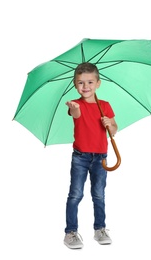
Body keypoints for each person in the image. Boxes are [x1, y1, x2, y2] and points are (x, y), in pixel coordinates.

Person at [64, 62, 118, 249]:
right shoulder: (76, 104)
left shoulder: (105, 106)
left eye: (89, 82)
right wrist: (73, 107)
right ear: (74, 84)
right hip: (80, 157)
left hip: (100, 157)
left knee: (98, 194)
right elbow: (76, 113)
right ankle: (70, 232)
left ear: (98, 83)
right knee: (75, 194)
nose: (85, 87)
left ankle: (100, 229)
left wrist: (109, 123)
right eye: (80, 83)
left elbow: (114, 130)